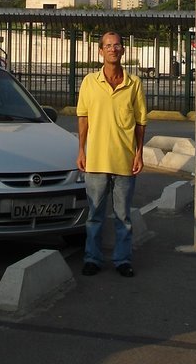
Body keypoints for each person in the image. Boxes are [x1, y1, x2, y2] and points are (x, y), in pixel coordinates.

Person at [76, 31, 147, 278]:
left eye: (117, 45)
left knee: (123, 217)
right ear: (100, 51)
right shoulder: (89, 82)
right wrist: (81, 151)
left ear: (123, 50)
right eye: (108, 45)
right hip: (95, 159)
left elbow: (140, 122)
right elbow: (83, 118)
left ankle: (122, 259)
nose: (113, 49)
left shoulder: (134, 83)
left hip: (125, 161)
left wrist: (139, 154)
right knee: (94, 216)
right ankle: (92, 258)